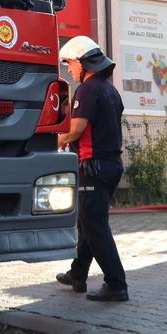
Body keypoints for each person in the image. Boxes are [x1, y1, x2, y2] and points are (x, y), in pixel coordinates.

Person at [54, 35, 128, 302]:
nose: (69, 70)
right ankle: (78, 274)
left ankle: (116, 284)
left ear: (82, 62)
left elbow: (76, 129)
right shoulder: (110, 90)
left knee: (95, 227)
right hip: (110, 166)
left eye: (70, 64)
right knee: (87, 223)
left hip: (93, 167)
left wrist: (56, 140)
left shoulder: (86, 90)